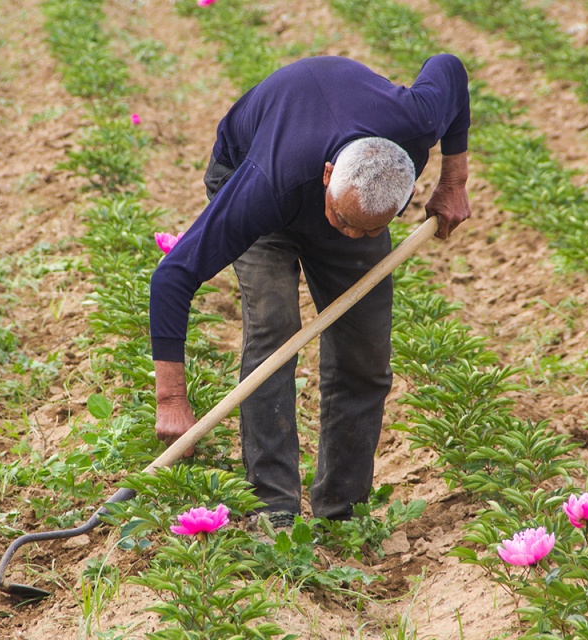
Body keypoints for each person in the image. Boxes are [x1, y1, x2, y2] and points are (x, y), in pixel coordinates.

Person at [150, 54, 471, 525]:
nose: (351, 235)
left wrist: (454, 180)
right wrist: (171, 401)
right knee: (273, 327)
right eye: (344, 221)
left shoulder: (417, 121)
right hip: (256, 173)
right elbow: (173, 276)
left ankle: (343, 513)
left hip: (350, 189)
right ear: (327, 175)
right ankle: (274, 508)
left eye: (369, 229)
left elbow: (450, 69)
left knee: (365, 352)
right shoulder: (264, 185)